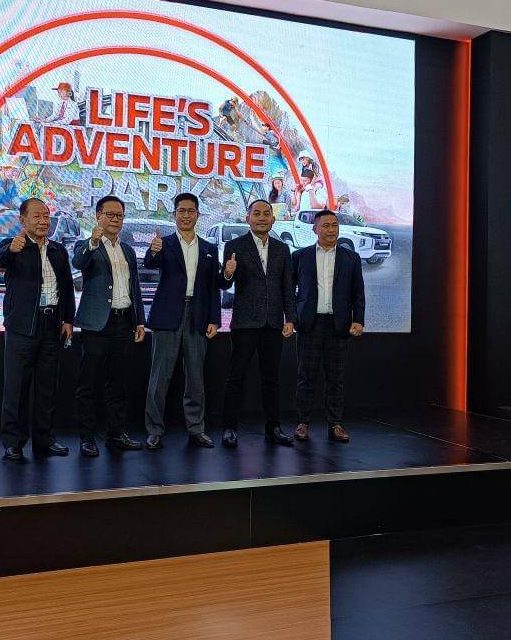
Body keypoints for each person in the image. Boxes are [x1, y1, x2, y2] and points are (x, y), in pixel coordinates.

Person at [0, 198, 76, 460]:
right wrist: (10, 250)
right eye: (37, 216)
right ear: (23, 220)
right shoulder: (13, 245)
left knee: (47, 388)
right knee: (16, 388)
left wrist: (68, 320)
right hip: (22, 327)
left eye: (46, 216)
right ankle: (13, 442)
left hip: (51, 326)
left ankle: (44, 439)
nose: (43, 221)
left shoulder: (58, 250)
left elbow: (67, 287)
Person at [143, 193, 221, 450]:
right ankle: (154, 430)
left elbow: (213, 287)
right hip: (168, 316)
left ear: (198, 215)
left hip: (198, 316)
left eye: (191, 211)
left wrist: (215, 319)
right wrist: (153, 251)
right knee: (159, 377)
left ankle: (196, 429)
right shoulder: (163, 243)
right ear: (174, 214)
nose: (186, 215)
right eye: (181, 211)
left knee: (196, 378)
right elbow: (150, 263)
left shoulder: (209, 249)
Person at [72, 195, 146, 457]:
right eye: (110, 214)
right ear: (98, 216)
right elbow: (78, 263)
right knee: (89, 384)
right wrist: (93, 242)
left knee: (119, 384)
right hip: (96, 325)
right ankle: (87, 437)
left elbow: (134, 287)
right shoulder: (87, 245)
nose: (115, 219)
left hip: (124, 323)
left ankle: (116, 434)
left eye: (120, 215)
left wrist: (139, 320)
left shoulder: (128, 250)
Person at [219, 199, 297, 448]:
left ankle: (274, 428)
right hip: (245, 323)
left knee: (271, 380)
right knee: (236, 378)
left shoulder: (282, 249)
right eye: (257, 213)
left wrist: (290, 318)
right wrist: (228, 272)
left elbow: (287, 287)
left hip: (273, 323)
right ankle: (229, 428)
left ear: (273, 219)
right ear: (248, 218)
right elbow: (224, 283)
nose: (262, 217)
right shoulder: (234, 246)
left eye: (266, 214)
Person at [291, 210, 365, 443]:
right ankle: (303, 423)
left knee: (336, 379)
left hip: (338, 326)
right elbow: (288, 291)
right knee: (306, 377)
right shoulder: (300, 256)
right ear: (315, 229)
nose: (331, 230)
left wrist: (358, 319)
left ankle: (335, 424)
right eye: (326, 226)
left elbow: (358, 293)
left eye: (334, 225)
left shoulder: (351, 258)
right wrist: (292, 317)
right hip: (309, 324)